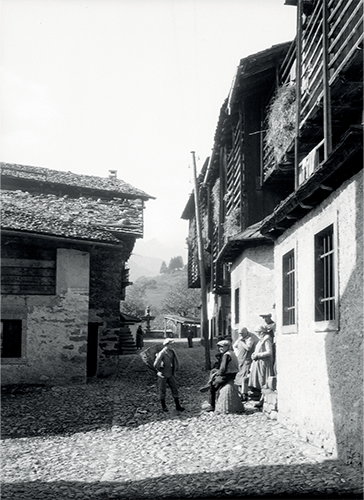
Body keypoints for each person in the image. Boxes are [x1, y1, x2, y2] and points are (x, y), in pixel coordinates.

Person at [202, 339, 239, 412]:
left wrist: (217, 373)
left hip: (227, 375)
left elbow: (222, 369)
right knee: (213, 372)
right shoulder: (232, 353)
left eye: (222, 347)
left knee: (213, 387)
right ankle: (209, 382)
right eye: (219, 347)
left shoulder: (226, 355)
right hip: (233, 374)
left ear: (227, 347)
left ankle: (212, 405)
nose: (220, 349)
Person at [153, 338, 185, 412]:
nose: (172, 346)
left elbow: (176, 361)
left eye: (172, 344)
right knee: (162, 390)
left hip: (171, 373)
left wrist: (175, 369)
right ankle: (163, 406)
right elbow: (156, 364)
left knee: (175, 389)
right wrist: (158, 371)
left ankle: (178, 405)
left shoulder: (172, 352)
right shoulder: (162, 353)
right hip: (163, 374)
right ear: (166, 345)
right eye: (170, 344)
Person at [248, 324, 274, 408]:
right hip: (259, 363)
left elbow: (269, 352)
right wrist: (254, 354)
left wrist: (258, 355)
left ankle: (263, 400)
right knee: (260, 381)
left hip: (264, 364)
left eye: (258, 332)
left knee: (264, 381)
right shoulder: (261, 340)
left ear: (262, 333)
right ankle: (261, 399)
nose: (257, 334)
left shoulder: (267, 340)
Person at [233, 327, 258, 402]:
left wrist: (242, 342)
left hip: (247, 360)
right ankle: (240, 393)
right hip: (240, 360)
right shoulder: (240, 339)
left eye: (242, 334)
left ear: (246, 333)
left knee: (244, 378)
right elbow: (234, 345)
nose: (241, 335)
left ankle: (245, 394)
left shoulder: (249, 339)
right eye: (240, 334)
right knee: (239, 377)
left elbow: (248, 348)